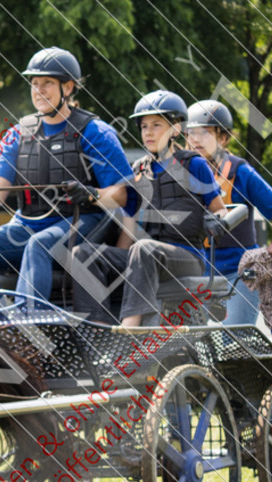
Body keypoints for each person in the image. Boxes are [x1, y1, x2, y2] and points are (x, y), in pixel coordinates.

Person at [0, 47, 133, 308]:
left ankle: (31, 328)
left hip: (83, 222)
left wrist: (91, 194)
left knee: (39, 244)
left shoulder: (96, 132)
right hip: (27, 224)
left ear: (68, 87)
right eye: (34, 83)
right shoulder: (16, 134)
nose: (38, 90)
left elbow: (122, 195)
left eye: (47, 83)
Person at [101, 90, 226, 327]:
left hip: (188, 256)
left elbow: (219, 208)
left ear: (176, 129)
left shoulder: (194, 165)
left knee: (145, 249)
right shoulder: (138, 170)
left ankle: (133, 330)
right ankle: (96, 330)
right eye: (144, 126)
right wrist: (119, 258)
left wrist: (217, 221)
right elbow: (130, 222)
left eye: (157, 125)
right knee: (88, 254)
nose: (148, 131)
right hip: (146, 255)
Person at [186, 99, 272, 324]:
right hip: (197, 273)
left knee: (234, 341)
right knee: (192, 342)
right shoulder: (180, 173)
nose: (195, 139)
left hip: (240, 273)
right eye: (190, 133)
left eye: (204, 133)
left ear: (223, 138)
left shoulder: (240, 172)